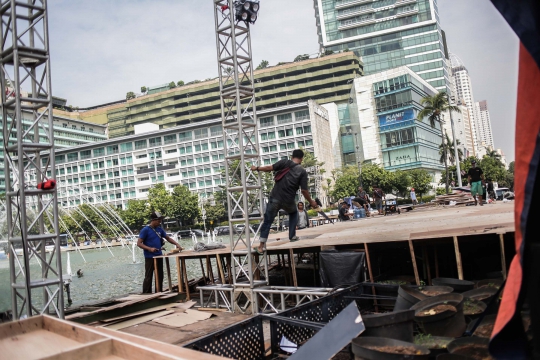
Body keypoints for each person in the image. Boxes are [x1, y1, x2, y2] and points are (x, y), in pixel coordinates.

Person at [251, 149, 317, 254]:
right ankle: (292, 236)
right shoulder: (302, 172)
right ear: (301, 159)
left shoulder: (284, 162)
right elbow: (304, 190)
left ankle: (260, 246)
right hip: (288, 200)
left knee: (268, 221)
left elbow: (269, 168)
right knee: (294, 213)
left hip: (275, 197)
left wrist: (257, 168)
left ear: (292, 156)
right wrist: (311, 201)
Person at [137, 211, 183, 293]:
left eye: (160, 221)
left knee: (160, 275)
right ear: (153, 220)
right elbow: (139, 243)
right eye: (158, 221)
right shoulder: (145, 230)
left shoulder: (159, 229)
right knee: (148, 276)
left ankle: (158, 291)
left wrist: (177, 244)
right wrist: (149, 249)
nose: (159, 222)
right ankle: (146, 294)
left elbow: (168, 238)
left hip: (159, 255)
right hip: (150, 257)